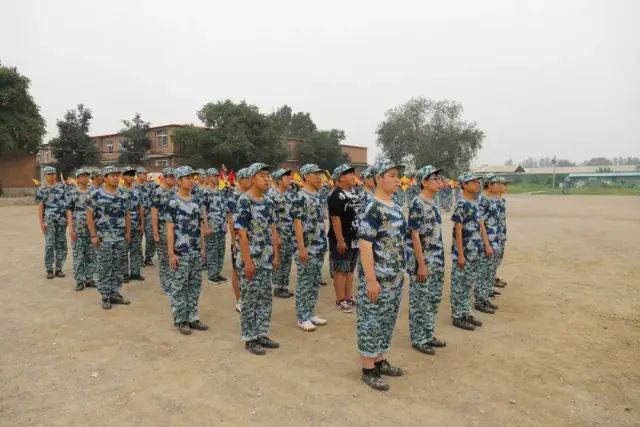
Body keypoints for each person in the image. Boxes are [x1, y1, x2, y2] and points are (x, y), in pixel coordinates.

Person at [356, 158, 407, 392]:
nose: (398, 179)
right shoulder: (372, 207)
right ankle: (368, 369)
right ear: (379, 178)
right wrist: (371, 280)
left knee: (386, 321)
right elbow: (365, 245)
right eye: (392, 175)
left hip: (394, 276)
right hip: (378, 277)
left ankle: (379, 360)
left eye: (398, 175)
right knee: (371, 321)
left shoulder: (394, 205)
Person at [234, 163, 281, 355]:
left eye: (268, 176)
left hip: (266, 258)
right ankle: (250, 337)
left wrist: (275, 256)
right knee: (249, 299)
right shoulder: (244, 201)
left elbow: (272, 229)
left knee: (265, 298)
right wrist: (247, 261)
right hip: (250, 260)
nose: (267, 179)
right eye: (262, 176)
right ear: (252, 178)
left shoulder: (268, 202)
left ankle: (262, 333)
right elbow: (242, 234)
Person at [407, 165, 447, 355]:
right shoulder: (418, 203)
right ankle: (419, 338)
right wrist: (421, 265)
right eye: (435, 179)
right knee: (420, 301)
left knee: (433, 299)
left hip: (437, 259)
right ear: (424, 182)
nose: (439, 182)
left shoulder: (433, 202)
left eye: (439, 179)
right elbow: (415, 235)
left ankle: (428, 334)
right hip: (423, 262)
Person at [164, 166, 209, 335]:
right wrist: (171, 254)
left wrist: (202, 248)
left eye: (193, 178)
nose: (192, 181)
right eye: (188, 178)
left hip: (195, 251)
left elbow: (200, 226)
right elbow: (169, 229)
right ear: (179, 180)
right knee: (180, 286)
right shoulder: (172, 202)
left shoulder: (197, 201)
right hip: (180, 252)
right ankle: (181, 319)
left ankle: (193, 317)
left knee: (195, 285)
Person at [86, 166, 131, 310]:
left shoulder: (124, 195)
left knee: (118, 267)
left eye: (117, 175)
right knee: (104, 267)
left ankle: (115, 293)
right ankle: (105, 296)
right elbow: (89, 216)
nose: (116, 177)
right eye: (112, 175)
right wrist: (93, 235)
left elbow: (127, 215)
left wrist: (128, 233)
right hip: (103, 238)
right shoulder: (96, 195)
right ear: (104, 178)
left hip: (119, 238)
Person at [292, 164, 328, 331]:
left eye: (320, 174)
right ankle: (302, 317)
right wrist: (301, 248)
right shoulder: (300, 196)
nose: (319, 177)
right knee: (304, 282)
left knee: (314, 281)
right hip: (307, 246)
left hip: (319, 245)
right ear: (306, 176)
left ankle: (310, 312)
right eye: (316, 174)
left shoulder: (318, 195)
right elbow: (297, 223)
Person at [450, 172, 484, 331]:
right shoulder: (461, 204)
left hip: (474, 251)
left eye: (478, 182)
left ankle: (465, 312)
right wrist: (460, 254)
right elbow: (458, 231)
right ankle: (457, 316)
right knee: (459, 284)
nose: (477, 184)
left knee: (468, 284)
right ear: (464, 185)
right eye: (473, 182)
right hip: (464, 252)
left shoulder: (474, 202)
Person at [328, 164, 360, 313]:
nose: (353, 176)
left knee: (350, 269)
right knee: (341, 269)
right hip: (342, 239)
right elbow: (335, 218)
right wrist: (340, 240)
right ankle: (340, 300)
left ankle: (348, 297)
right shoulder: (336, 195)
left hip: (354, 239)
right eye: (349, 174)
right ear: (341, 177)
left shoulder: (353, 193)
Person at [35, 166, 68, 279]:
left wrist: (68, 220)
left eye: (53, 173)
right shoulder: (41, 189)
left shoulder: (62, 187)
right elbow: (41, 207)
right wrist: (41, 223)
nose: (52, 176)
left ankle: (59, 268)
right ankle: (49, 269)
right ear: (45, 175)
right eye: (49, 174)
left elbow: (67, 205)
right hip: (49, 221)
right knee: (49, 245)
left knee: (61, 245)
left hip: (62, 221)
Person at [268, 168, 296, 298]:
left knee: (287, 260)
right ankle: (277, 287)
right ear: (279, 180)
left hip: (289, 234)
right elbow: (270, 218)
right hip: (279, 234)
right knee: (278, 260)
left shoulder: (289, 194)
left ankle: (284, 286)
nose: (289, 180)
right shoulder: (272, 195)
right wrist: (275, 236)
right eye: (286, 178)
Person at [228, 168, 252, 313]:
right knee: (237, 269)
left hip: (252, 239)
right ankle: (239, 300)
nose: (250, 181)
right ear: (241, 179)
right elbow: (231, 220)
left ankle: (248, 298)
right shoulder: (235, 196)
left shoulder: (252, 196)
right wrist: (233, 240)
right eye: (248, 178)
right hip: (239, 238)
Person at [476, 174, 501, 313]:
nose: (498, 186)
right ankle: (480, 300)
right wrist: (486, 244)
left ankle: (485, 298)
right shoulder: (482, 200)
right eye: (496, 183)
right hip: (487, 242)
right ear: (489, 185)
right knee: (483, 272)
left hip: (494, 241)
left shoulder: (491, 199)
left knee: (488, 271)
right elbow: (481, 224)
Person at [65, 169, 93, 291]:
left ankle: (89, 278)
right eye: (82, 176)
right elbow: (69, 210)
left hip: (91, 229)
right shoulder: (73, 192)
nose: (85, 178)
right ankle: (79, 280)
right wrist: (71, 227)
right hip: (78, 227)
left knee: (91, 255)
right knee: (78, 255)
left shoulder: (94, 192)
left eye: (87, 176)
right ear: (77, 178)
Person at [151, 168, 177, 294]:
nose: (173, 179)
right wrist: (155, 232)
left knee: (174, 256)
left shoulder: (177, 191)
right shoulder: (158, 192)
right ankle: (166, 284)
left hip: (176, 230)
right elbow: (154, 213)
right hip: (162, 229)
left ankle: (174, 282)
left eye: (174, 177)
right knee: (164, 258)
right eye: (170, 177)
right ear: (164, 178)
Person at [119, 167, 145, 283]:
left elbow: (140, 207)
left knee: (136, 249)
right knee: (123, 250)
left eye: (132, 175)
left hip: (136, 224)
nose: (131, 177)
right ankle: (124, 273)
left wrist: (142, 224)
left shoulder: (137, 190)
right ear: (123, 176)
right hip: (123, 225)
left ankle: (135, 272)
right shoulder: (119, 190)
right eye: (128, 175)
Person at [202, 168, 228, 284]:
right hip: (211, 227)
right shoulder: (204, 192)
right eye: (214, 176)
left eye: (218, 176)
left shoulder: (219, 191)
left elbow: (223, 209)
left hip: (221, 226)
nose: (217, 178)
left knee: (220, 251)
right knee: (212, 251)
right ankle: (212, 275)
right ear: (208, 178)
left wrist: (225, 224)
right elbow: (203, 211)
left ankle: (217, 272)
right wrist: (206, 227)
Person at [133, 167, 155, 266]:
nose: (145, 175)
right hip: (136, 216)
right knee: (138, 238)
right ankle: (139, 259)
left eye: (146, 174)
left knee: (151, 237)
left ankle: (148, 257)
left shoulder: (150, 186)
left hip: (148, 215)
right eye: (144, 173)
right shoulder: (133, 186)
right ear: (138, 175)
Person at [494, 176, 511, 289]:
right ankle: (491, 279)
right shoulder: (492, 201)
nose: (505, 187)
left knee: (498, 257)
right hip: (494, 235)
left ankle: (493, 277)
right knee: (492, 259)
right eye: (503, 184)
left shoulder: (502, 200)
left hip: (501, 233)